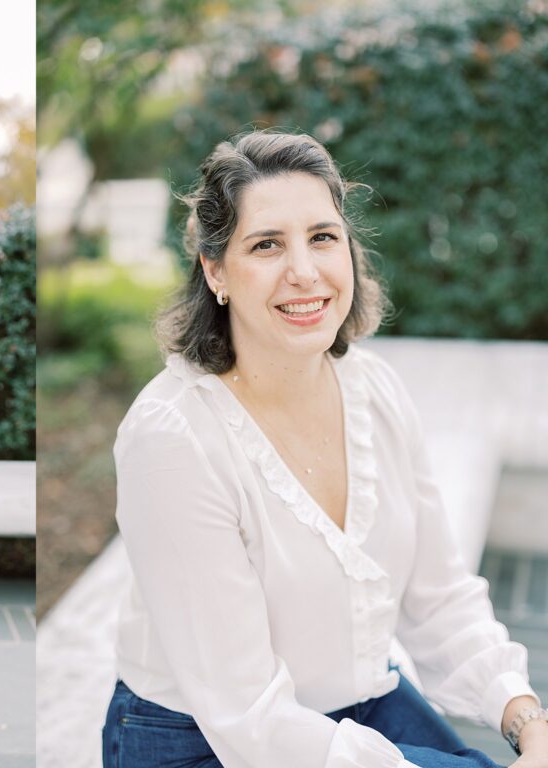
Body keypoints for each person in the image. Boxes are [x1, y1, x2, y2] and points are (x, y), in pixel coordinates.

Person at [101, 131, 547, 768]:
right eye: (266, 245)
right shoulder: (172, 439)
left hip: (363, 702)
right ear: (216, 269)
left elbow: (439, 598)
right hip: (206, 739)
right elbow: (247, 716)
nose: (304, 272)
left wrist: (525, 716)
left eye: (322, 237)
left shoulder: (375, 390)